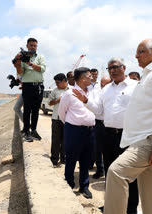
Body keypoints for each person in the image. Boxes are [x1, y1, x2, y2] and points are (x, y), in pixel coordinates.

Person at [103, 38, 152, 214]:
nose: (136, 56)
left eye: (140, 51)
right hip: (147, 140)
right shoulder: (150, 73)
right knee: (150, 191)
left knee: (116, 173)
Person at [73, 57, 139, 214]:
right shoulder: (106, 90)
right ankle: (111, 206)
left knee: (130, 176)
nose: (113, 70)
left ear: (124, 67)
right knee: (110, 173)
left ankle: (131, 209)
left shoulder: (136, 86)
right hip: (109, 136)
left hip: (129, 136)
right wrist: (86, 101)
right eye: (110, 68)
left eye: (116, 67)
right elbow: (99, 112)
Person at [58, 67, 96, 199]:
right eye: (90, 76)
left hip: (90, 130)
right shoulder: (69, 94)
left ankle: (84, 186)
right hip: (74, 130)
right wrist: (71, 125)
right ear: (82, 78)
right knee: (71, 159)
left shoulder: (93, 92)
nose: (92, 78)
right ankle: (69, 184)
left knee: (86, 159)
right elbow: (61, 113)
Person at [13, 38, 46, 142]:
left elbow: (42, 69)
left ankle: (34, 130)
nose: (33, 47)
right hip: (27, 86)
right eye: (31, 45)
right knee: (27, 110)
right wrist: (18, 62)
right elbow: (21, 72)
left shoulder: (40, 57)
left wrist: (30, 64)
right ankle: (27, 132)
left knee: (36, 110)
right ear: (27, 46)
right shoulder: (23, 58)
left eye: (35, 45)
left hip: (39, 86)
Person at [92, 76, 112, 179]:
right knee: (97, 149)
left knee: (109, 149)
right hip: (99, 124)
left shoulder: (113, 93)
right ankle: (100, 170)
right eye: (102, 84)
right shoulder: (98, 93)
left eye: (106, 84)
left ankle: (110, 172)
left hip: (110, 126)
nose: (103, 86)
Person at [48, 73, 69, 167]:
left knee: (66, 140)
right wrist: (58, 100)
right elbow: (49, 103)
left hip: (68, 119)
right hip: (56, 119)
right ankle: (54, 159)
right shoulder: (54, 91)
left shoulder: (72, 90)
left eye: (58, 82)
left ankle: (64, 158)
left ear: (64, 81)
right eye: (55, 82)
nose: (56, 84)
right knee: (56, 140)